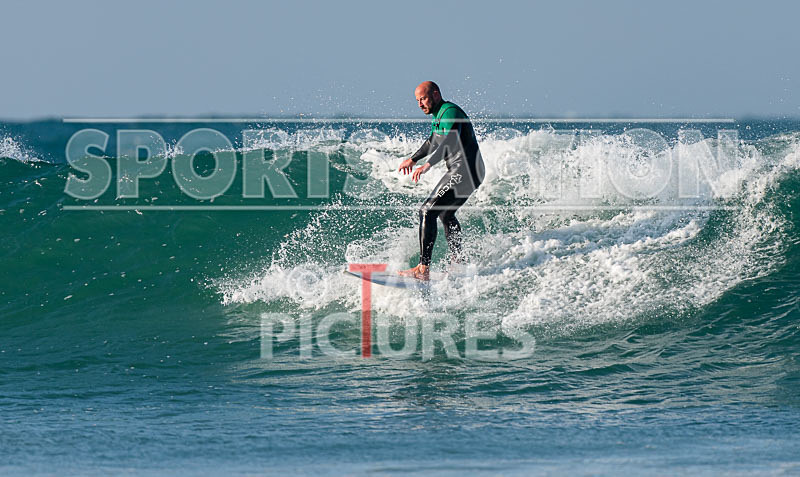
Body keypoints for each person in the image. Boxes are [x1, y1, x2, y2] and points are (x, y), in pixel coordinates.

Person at [398, 81, 485, 280]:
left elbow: (450, 141)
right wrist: (413, 159)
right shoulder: (439, 116)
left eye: (423, 98)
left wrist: (427, 166)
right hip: (471, 172)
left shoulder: (450, 112)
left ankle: (423, 269)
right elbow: (433, 141)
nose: (420, 104)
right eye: (417, 100)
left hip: (465, 171)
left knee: (427, 210)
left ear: (436, 95)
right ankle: (458, 261)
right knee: (445, 214)